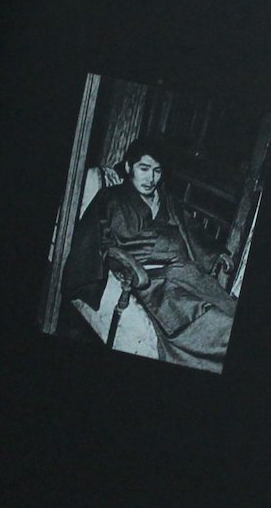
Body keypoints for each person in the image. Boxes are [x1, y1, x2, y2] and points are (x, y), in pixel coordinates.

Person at [61, 137, 236, 372]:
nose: (151, 178)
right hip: (153, 280)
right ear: (128, 167)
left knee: (228, 308)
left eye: (157, 171)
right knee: (215, 323)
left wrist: (214, 254)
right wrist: (122, 264)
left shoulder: (167, 199)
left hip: (185, 271)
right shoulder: (110, 198)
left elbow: (193, 231)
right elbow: (96, 241)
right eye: (143, 169)